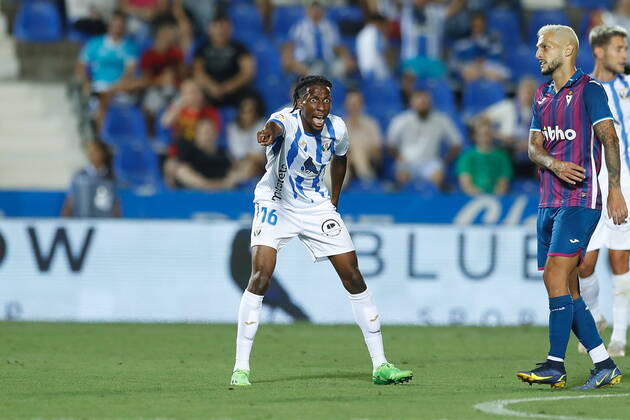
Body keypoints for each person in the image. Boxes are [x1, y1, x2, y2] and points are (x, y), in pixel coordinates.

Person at [229, 75, 412, 387]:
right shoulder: (283, 120)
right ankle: (241, 367)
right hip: (276, 203)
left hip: (316, 206)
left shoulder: (337, 128)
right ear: (300, 102)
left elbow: (340, 160)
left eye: (327, 100)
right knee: (261, 275)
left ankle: (381, 365)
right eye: (315, 99)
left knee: (353, 275)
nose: (322, 106)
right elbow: (274, 129)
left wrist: (334, 199)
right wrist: (266, 134)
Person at [516, 25, 627, 390]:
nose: (538, 53)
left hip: (580, 201)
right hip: (548, 201)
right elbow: (533, 148)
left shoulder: (590, 90)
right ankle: (604, 364)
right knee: (570, 289)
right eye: (537, 46)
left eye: (544, 47)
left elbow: (609, 138)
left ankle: (554, 364)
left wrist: (614, 190)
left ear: (567, 51)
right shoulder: (542, 95)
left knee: (554, 277)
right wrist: (554, 164)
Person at [577, 25, 630, 358]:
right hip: (588, 182)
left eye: (625, 49)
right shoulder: (583, 90)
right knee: (583, 264)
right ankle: (595, 317)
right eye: (619, 48)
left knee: (621, 258)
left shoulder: (628, 88)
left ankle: (620, 337)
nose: (624, 55)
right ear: (599, 51)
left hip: (623, 179)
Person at [387, 89, 462, 189]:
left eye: (425, 103)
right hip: (407, 161)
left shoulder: (441, 119)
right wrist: (398, 157)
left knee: (437, 177)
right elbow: (390, 143)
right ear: (412, 103)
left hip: (431, 162)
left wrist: (445, 161)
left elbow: (456, 143)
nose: (422, 105)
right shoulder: (401, 120)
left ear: (430, 103)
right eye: (419, 103)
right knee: (402, 177)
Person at [281, 1, 355, 79]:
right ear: (307, 10)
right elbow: (289, 46)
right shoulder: (299, 28)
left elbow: (338, 46)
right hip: (307, 63)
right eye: (312, 9)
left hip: (328, 63)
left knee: (340, 67)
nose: (315, 11)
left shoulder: (330, 27)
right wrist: (290, 60)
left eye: (317, 9)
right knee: (307, 71)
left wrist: (346, 58)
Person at [193, 15, 255, 107]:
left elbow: (247, 72)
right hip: (209, 92)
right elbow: (197, 72)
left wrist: (226, 87)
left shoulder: (240, 48)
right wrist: (212, 87)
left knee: (250, 100)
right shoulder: (202, 48)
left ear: (230, 30)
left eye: (224, 28)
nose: (221, 31)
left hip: (235, 92)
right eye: (217, 27)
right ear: (210, 30)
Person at [61, 139, 121, 218]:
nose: (91, 154)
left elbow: (115, 203)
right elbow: (70, 201)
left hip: (105, 222)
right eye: (88, 151)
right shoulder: (79, 176)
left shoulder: (112, 177)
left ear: (103, 153)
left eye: (95, 151)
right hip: (82, 221)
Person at [456, 116, 512, 196]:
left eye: (487, 134)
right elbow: (466, 184)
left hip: (497, 199)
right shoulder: (466, 156)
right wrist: (479, 195)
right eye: (481, 134)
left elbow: (503, 183)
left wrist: (495, 196)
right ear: (474, 136)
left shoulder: (502, 157)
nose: (485, 137)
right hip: (472, 199)